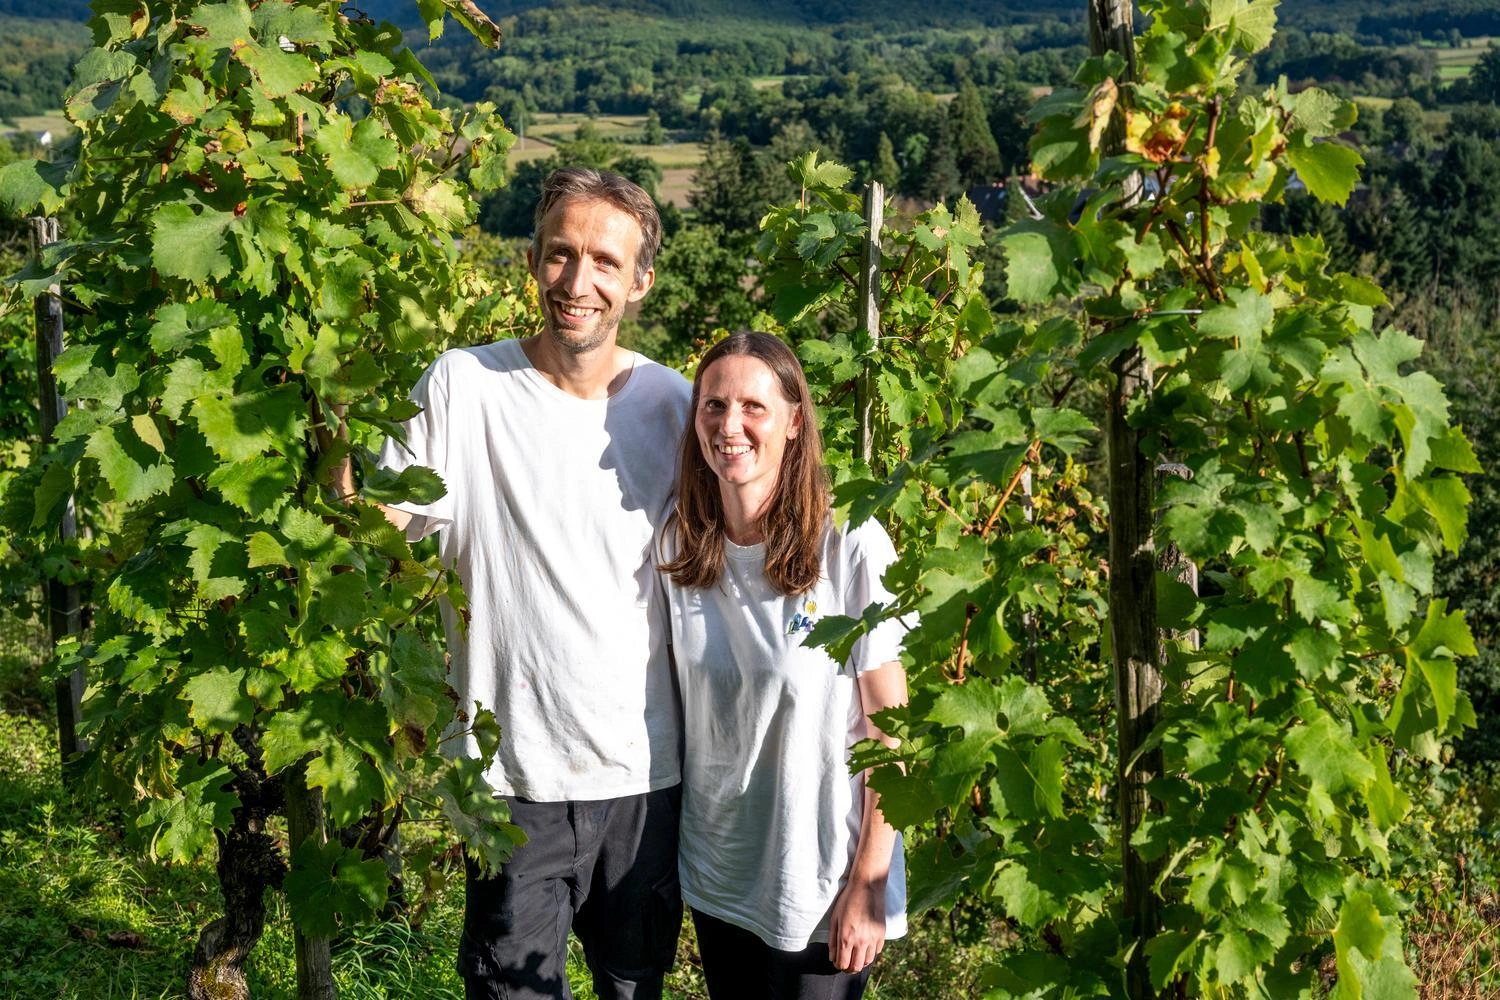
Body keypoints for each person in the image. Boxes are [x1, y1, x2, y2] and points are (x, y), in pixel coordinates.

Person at [369, 167, 690, 1000]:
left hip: (645, 784)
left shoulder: (677, 408)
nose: (577, 284)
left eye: (604, 263)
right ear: (532, 259)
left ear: (640, 282)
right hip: (512, 786)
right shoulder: (462, 387)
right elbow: (376, 540)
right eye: (560, 255)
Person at [658, 332, 909, 1000]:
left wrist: (870, 883)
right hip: (722, 875)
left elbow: (891, 732)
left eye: (752, 407)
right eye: (713, 405)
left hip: (821, 883)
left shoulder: (849, 545)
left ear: (795, 422)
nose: (728, 425)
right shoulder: (681, 544)